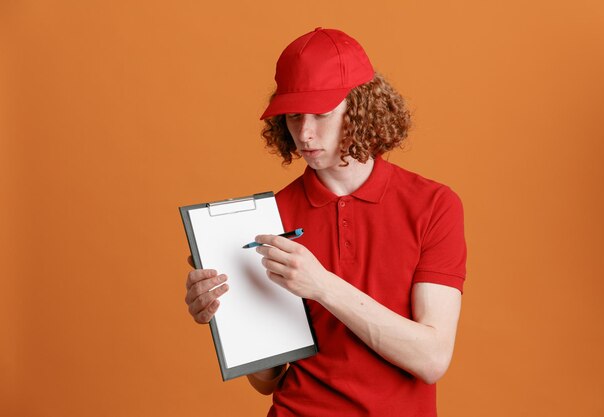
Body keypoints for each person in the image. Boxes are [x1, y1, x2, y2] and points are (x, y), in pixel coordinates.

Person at [185, 27, 467, 417]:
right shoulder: (272, 215)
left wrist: (322, 286)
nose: (305, 133)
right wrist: (230, 317)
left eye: (321, 113)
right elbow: (268, 379)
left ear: (362, 107)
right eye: (294, 116)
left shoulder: (434, 205)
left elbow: (431, 359)